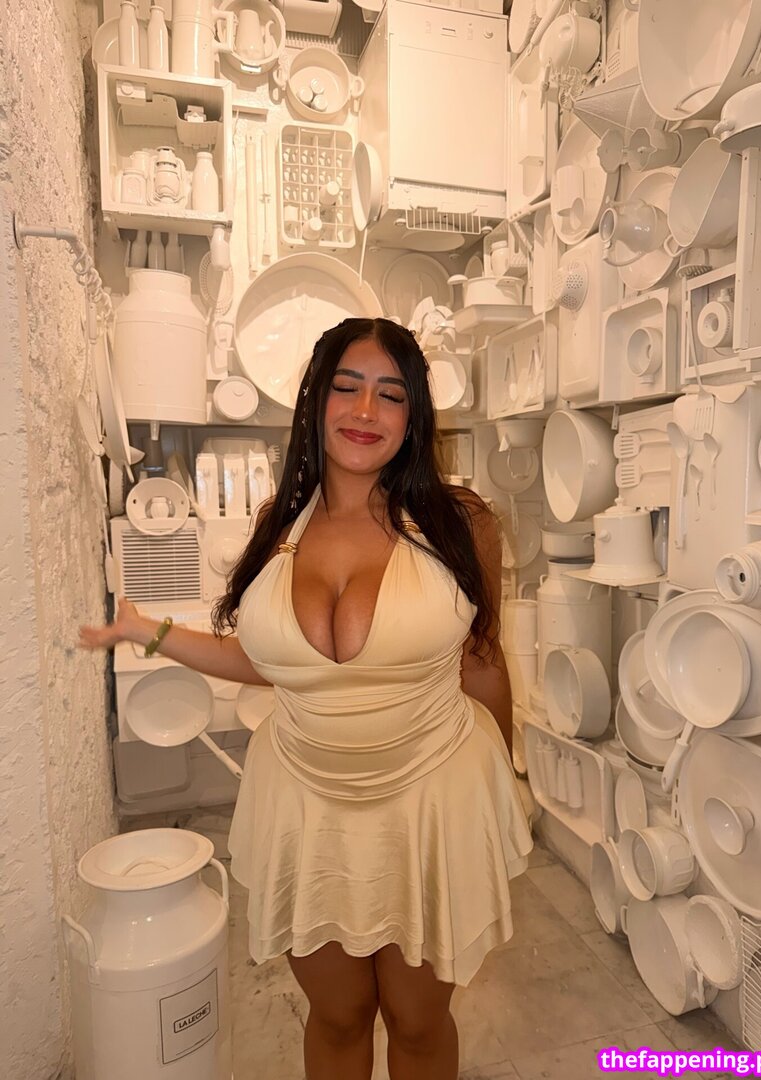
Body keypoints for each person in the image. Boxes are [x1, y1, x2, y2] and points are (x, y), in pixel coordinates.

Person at [80, 317, 534, 1080]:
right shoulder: (278, 527)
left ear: (414, 415)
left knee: (418, 1023)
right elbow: (273, 664)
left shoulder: (460, 522)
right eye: (347, 387)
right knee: (338, 1015)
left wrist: (505, 784)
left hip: (431, 801)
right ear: (316, 401)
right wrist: (147, 631)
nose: (366, 411)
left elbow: (482, 660)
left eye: (391, 394)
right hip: (307, 808)